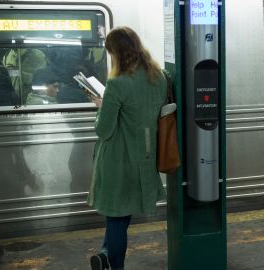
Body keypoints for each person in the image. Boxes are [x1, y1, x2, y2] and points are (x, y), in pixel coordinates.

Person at [87, 26, 167, 270]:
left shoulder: (118, 84)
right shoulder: (159, 77)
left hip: (118, 159)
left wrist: (101, 106)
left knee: (115, 216)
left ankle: (115, 266)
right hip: (144, 155)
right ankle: (104, 251)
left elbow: (104, 130)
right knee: (122, 214)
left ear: (117, 53)